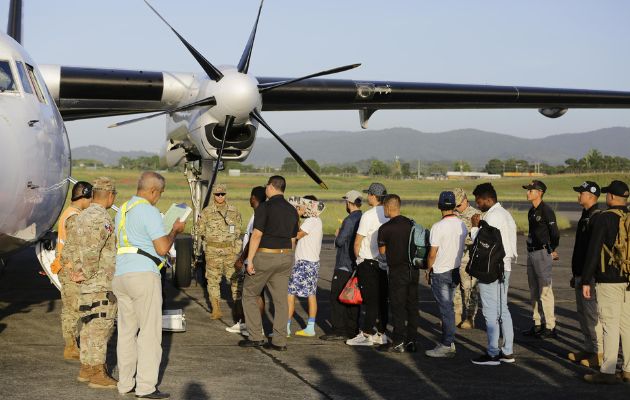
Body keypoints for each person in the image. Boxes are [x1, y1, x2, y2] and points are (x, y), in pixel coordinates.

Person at [113, 172, 185, 399]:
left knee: (126, 332)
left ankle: (125, 384)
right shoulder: (149, 211)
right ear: (153, 191)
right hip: (143, 274)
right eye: (160, 194)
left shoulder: (124, 210)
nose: (158, 198)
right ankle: (146, 387)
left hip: (121, 274)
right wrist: (174, 230)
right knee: (149, 334)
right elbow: (163, 249)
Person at [66, 177, 118, 389]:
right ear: (110, 196)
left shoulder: (81, 215)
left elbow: (69, 246)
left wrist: (73, 270)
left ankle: (87, 368)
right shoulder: (101, 218)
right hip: (98, 282)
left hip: (86, 283)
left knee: (88, 325)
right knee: (100, 326)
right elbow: (92, 250)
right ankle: (97, 372)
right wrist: (85, 272)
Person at [239, 175, 299, 351]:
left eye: (267, 186)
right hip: (286, 255)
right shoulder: (291, 210)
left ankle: (256, 336)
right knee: (281, 300)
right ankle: (280, 341)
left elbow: (256, 235)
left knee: (249, 294)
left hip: (266, 256)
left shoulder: (264, 207)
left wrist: (249, 260)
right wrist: (290, 257)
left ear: (271, 187)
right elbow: (293, 238)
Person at [582, 180, 630, 384]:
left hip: (608, 279)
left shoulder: (603, 218)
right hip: (628, 279)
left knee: (609, 324)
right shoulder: (628, 217)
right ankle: (628, 369)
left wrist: (586, 279)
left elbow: (593, 251)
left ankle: (608, 371)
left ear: (610, 197)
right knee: (627, 325)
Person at [468, 183, 518, 365]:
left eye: (479, 201)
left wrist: (474, 228)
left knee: (490, 312)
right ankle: (507, 352)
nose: (478, 204)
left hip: (492, 269)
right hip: (505, 267)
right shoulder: (504, 214)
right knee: (502, 309)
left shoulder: (493, 216)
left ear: (489, 199)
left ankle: (492, 353)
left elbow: (484, 245)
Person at [346, 183, 390, 347]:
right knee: (382, 300)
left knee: (370, 300)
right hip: (383, 263)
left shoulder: (369, 215)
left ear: (373, 196)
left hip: (367, 262)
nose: (367, 197)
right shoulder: (388, 214)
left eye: (369, 195)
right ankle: (381, 333)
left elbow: (358, 242)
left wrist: (358, 260)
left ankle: (366, 334)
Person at [425, 191, 466, 358]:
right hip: (455, 270)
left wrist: (428, 269)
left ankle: (447, 344)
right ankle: (449, 341)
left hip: (441, 271)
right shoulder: (462, 224)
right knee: (448, 308)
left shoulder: (438, 227)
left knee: (446, 310)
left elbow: (432, 254)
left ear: (439, 205)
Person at [54, 181, 92, 360]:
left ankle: (72, 345)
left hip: (66, 267)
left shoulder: (70, 213)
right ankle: (70, 347)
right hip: (70, 269)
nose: (91, 202)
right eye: (90, 198)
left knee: (72, 309)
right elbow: (75, 247)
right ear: (84, 197)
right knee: (72, 310)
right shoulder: (74, 217)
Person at [377, 194, 419, 353]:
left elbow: (382, 252)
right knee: (412, 306)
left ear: (388, 207)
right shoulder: (411, 223)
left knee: (398, 306)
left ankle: (398, 340)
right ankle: (412, 341)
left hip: (396, 271)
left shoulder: (385, 228)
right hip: (413, 270)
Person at [567, 181, 603, 368]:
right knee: (583, 314)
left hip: (591, 277)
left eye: (581, 192)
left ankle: (599, 352)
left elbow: (593, 252)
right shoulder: (585, 215)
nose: (578, 195)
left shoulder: (596, 217)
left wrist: (587, 277)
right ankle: (589, 349)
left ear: (590, 195)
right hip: (581, 275)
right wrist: (577, 274)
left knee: (592, 316)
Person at [195, 183, 242, 320]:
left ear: (225, 194)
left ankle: (238, 307)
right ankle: (216, 309)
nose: (220, 197)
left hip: (230, 250)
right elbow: (199, 230)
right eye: (217, 194)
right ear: (214, 195)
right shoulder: (207, 212)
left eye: (222, 194)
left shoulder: (234, 211)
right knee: (213, 280)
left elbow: (238, 228)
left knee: (235, 279)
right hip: (213, 251)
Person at [320, 190, 362, 341]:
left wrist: (338, 234)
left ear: (349, 203)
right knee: (353, 298)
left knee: (337, 297)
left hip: (344, 264)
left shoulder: (349, 220)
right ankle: (352, 329)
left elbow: (339, 242)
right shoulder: (363, 217)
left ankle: (338, 329)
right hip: (356, 265)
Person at [522, 180, 560, 339]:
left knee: (545, 291)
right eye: (528, 190)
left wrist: (552, 249)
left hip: (542, 253)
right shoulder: (532, 211)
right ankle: (537, 323)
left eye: (531, 190)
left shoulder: (546, 210)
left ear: (540, 192)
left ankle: (550, 326)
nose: (528, 192)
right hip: (531, 252)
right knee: (534, 290)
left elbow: (555, 234)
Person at [228, 186, 267, 335]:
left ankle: (254, 327)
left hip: (253, 260)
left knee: (253, 295)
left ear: (253, 198)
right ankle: (247, 324)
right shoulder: (260, 213)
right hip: (255, 259)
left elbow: (253, 239)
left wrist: (242, 259)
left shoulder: (259, 214)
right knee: (256, 294)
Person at [287, 195, 324, 337]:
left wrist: (297, 215)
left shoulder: (311, 220)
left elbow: (296, 235)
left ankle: (287, 326)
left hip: (304, 263)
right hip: (312, 262)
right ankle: (310, 326)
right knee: (311, 294)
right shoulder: (316, 221)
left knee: (290, 294)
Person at [452, 187, 481, 329]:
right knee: (455, 287)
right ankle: (456, 314)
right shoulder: (452, 214)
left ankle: (470, 317)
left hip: (469, 258)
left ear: (465, 199)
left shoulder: (476, 214)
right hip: (454, 257)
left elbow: (478, 237)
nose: (457, 207)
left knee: (469, 288)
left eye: (459, 204)